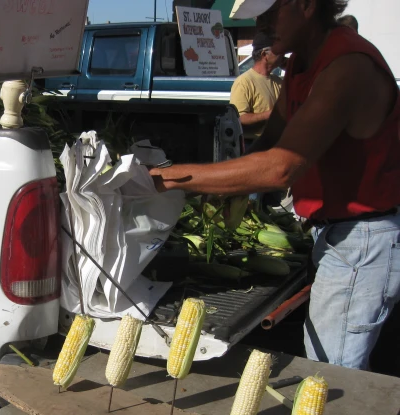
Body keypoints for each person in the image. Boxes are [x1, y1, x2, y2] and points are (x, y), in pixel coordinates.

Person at [148, 0, 400, 370]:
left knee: (329, 374)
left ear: (306, 5)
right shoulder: (301, 62)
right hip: (335, 234)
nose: (261, 23)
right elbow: (272, 141)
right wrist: (229, 186)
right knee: (323, 361)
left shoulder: (347, 66)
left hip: (361, 241)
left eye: (269, 11)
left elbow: (283, 166)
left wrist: (169, 177)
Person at [230, 32, 284, 144]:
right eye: (279, 52)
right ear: (265, 54)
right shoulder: (244, 82)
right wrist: (269, 115)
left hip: (277, 144)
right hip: (254, 145)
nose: (282, 55)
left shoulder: (279, 82)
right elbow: (239, 119)